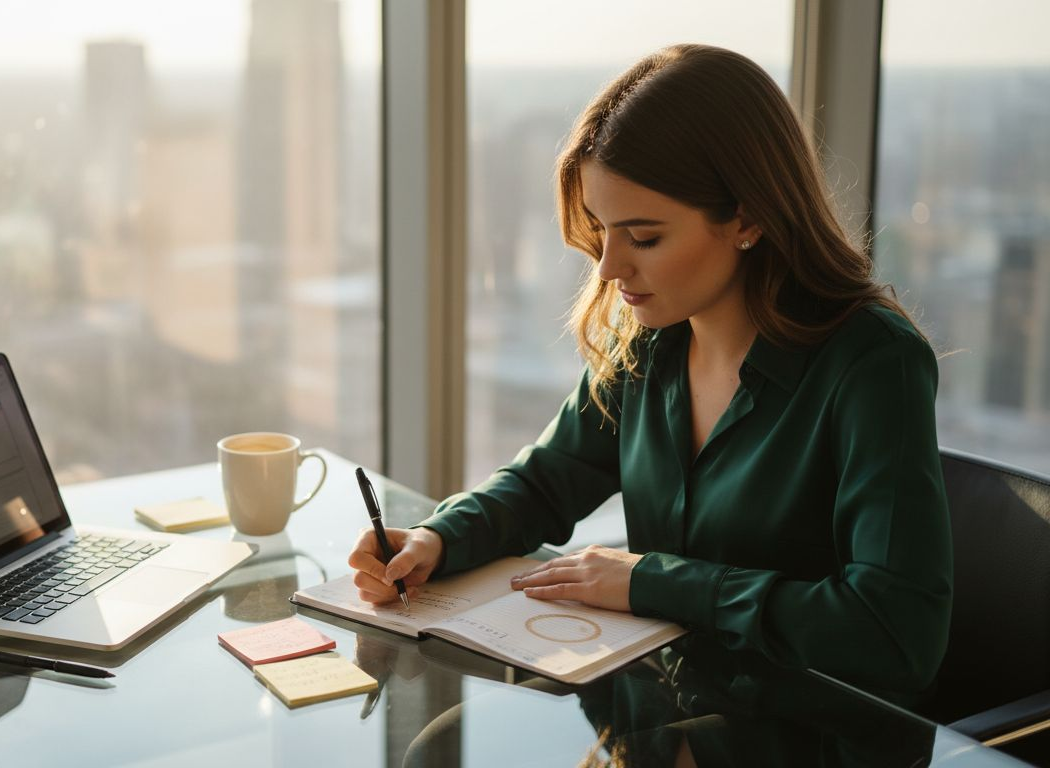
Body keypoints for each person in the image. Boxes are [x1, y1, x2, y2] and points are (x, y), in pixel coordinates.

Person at [348, 44, 953, 697]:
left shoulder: (873, 364)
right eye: (601, 228)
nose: (609, 267)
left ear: (748, 216)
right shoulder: (649, 340)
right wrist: (438, 538)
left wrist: (652, 581)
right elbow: (546, 481)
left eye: (644, 237)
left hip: (806, 727)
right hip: (664, 718)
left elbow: (895, 633)